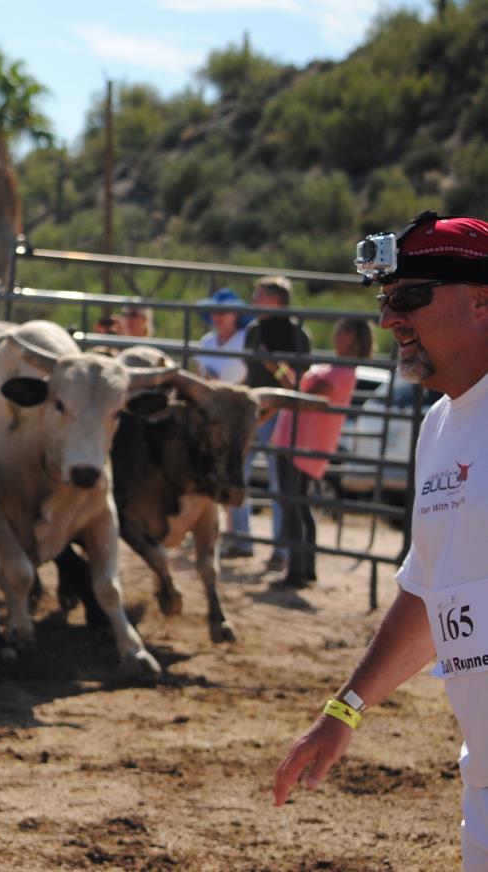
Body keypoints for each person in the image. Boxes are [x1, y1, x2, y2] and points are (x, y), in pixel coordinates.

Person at [273, 212, 488, 870]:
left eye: (409, 297)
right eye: (382, 301)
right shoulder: (439, 425)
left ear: (481, 302)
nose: (389, 318)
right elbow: (427, 588)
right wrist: (344, 710)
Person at [269, 318, 372, 588]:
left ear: (350, 336)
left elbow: (306, 397)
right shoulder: (339, 368)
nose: (335, 333)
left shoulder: (341, 371)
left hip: (302, 442)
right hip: (303, 441)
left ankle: (297, 571)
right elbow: (304, 392)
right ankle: (306, 567)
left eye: (341, 329)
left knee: (293, 504)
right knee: (299, 504)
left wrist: (278, 373)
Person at [228, 275, 312, 563]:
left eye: (259, 294)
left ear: (276, 300)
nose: (253, 300)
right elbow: (250, 371)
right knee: (237, 473)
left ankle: (281, 549)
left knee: (279, 483)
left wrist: (274, 370)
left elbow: (297, 383)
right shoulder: (254, 330)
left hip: (278, 414)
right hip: (253, 412)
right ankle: (242, 539)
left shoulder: (296, 334)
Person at [195, 287, 252, 384]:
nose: (217, 316)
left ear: (236, 314)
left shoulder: (246, 338)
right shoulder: (206, 340)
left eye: (223, 311)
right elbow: (198, 374)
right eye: (214, 311)